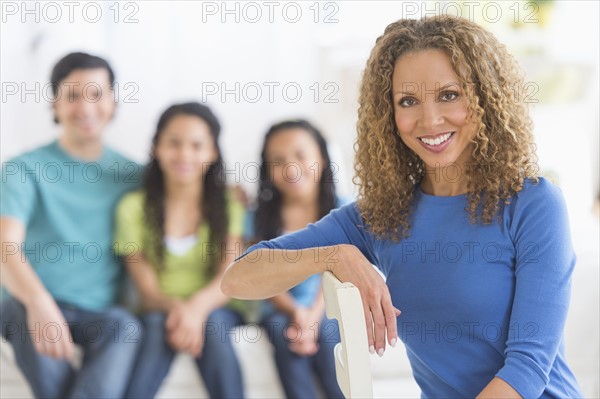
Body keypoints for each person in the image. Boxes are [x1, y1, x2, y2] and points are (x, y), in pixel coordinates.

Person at [222, 16, 584, 399]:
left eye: (449, 94)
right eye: (408, 101)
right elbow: (238, 278)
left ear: (484, 97)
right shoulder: (382, 215)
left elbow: (528, 368)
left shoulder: (533, 204)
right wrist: (334, 255)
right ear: (389, 117)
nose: (429, 120)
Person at [0, 52, 142, 398]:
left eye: (96, 94)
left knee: (125, 326)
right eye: (73, 96)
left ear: (113, 101)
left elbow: (188, 197)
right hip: (27, 303)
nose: (86, 107)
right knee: (18, 310)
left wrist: (227, 193)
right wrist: (38, 303)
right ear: (55, 104)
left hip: (98, 314)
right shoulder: (23, 169)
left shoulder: (135, 177)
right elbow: (6, 246)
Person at [115, 102, 246, 398]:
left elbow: (230, 278)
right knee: (155, 325)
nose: (185, 154)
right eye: (173, 143)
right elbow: (147, 292)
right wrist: (180, 311)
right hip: (159, 310)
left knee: (212, 324)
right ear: (156, 148)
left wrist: (197, 308)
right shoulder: (132, 208)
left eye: (197, 145)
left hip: (218, 307)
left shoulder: (229, 204)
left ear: (212, 153)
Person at [248, 119, 344, 399]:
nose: (290, 168)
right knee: (283, 331)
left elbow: (342, 271)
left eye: (301, 155)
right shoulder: (257, 218)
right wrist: (296, 314)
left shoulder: (345, 210)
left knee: (328, 330)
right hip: (282, 310)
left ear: (322, 159)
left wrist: (312, 316)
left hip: (329, 306)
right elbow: (260, 278)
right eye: (277, 161)